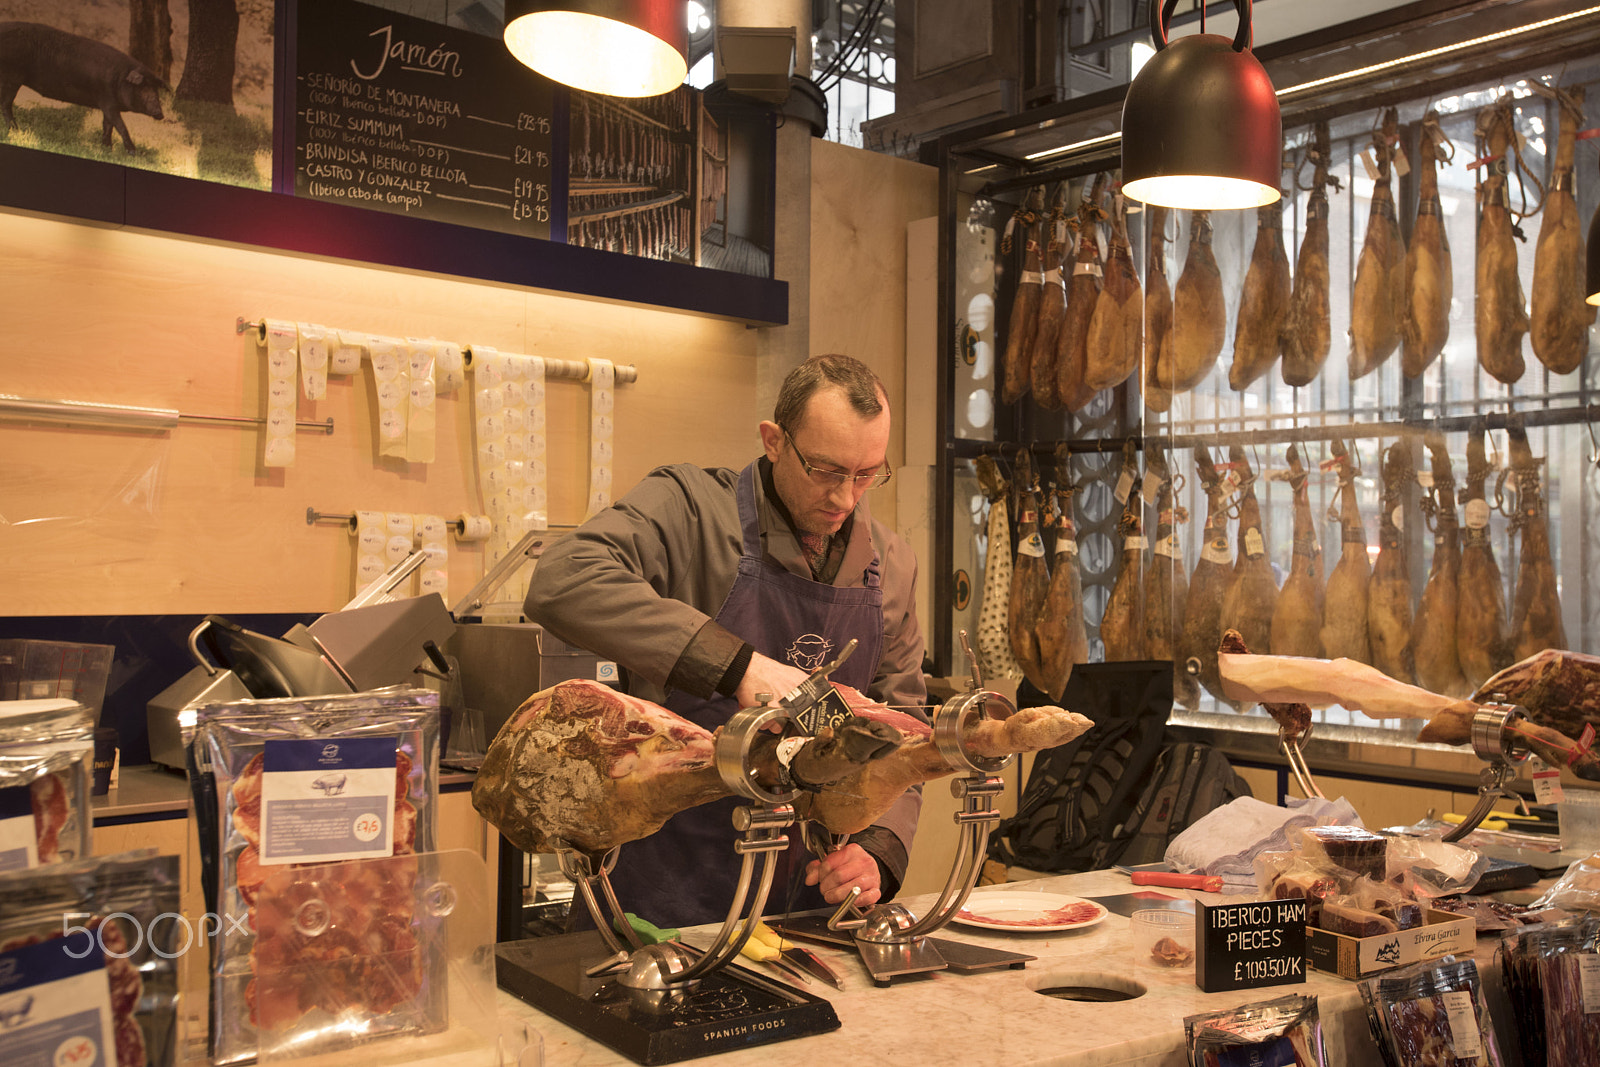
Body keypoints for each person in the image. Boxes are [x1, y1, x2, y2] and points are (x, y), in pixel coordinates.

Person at [524, 354, 926, 929]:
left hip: (809, 907)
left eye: (866, 475)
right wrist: (739, 667)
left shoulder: (891, 564)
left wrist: (880, 851)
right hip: (660, 893)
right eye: (826, 470)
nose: (845, 498)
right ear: (774, 441)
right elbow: (564, 577)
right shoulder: (689, 509)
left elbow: (903, 733)